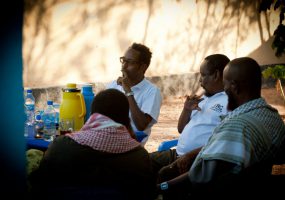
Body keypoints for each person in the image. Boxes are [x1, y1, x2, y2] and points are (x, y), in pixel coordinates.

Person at [157, 57, 285, 199]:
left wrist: (162, 187)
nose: (223, 90)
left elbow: (202, 174)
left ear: (234, 87)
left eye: (225, 85)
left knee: (165, 174)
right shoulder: (273, 116)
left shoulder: (237, 126)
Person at [28, 89, 156, 200]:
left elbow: (39, 187)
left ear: (91, 116)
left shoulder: (60, 146)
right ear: (126, 121)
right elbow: (147, 194)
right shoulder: (140, 158)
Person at [150, 54, 230, 182]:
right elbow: (181, 129)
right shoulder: (203, 98)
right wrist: (186, 109)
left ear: (216, 75)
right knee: (140, 162)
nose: (200, 81)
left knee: (162, 175)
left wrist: (189, 156)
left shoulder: (228, 102)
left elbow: (221, 142)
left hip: (195, 160)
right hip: (177, 154)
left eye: (203, 75)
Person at [107, 43, 162, 145]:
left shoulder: (152, 92)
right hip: (108, 141)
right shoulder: (114, 85)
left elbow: (141, 126)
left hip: (131, 149)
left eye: (130, 62)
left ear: (142, 67)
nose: (124, 66)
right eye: (123, 60)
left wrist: (128, 91)